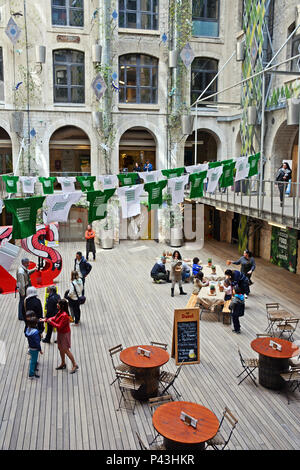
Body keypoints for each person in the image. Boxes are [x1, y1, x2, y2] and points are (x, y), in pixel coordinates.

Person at [43, 299, 79, 374]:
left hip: (64, 334)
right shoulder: (61, 312)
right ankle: (63, 363)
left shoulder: (65, 315)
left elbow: (59, 326)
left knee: (66, 349)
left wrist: (51, 322)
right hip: (61, 333)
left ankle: (74, 364)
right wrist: (46, 320)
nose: (57, 305)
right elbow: (55, 318)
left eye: (58, 304)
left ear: (61, 306)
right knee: (60, 347)